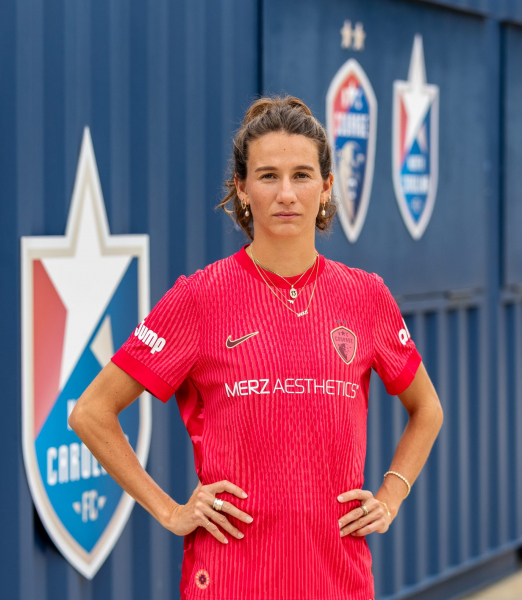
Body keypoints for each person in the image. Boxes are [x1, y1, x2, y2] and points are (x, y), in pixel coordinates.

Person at [69, 96, 444, 599]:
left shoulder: (365, 295)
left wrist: (391, 494)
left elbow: (428, 409)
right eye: (268, 176)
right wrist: (171, 511)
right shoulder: (201, 296)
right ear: (242, 190)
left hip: (338, 580)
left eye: (302, 175)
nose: (286, 193)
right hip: (229, 581)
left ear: (326, 187)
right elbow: (91, 412)